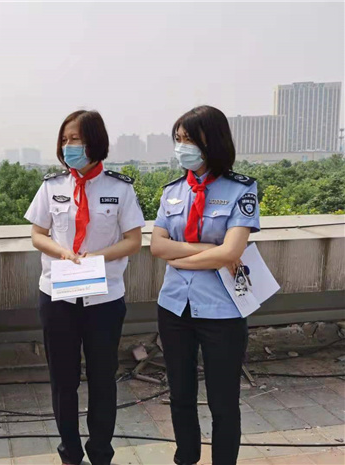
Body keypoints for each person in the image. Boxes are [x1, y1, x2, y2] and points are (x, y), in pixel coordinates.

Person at [24, 110, 145, 465]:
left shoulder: (119, 188)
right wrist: (62, 251)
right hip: (57, 296)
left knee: (102, 379)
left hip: (104, 298)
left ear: (94, 140)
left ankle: (101, 453)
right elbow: (37, 234)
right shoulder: (52, 186)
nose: (68, 146)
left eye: (75, 138)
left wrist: (98, 256)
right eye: (64, 140)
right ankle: (70, 452)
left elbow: (134, 240)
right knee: (63, 380)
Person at [150, 105, 260, 465]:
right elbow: (157, 246)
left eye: (190, 139)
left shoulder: (240, 189)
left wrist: (181, 256)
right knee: (180, 394)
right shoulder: (173, 191)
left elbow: (232, 252)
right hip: (174, 306)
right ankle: (186, 457)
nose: (182, 146)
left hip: (222, 310)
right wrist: (209, 252)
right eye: (178, 138)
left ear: (212, 141)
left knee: (223, 401)